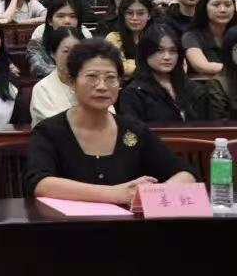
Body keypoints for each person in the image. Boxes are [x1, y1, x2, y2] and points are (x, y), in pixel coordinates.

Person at [24, 39, 195, 204]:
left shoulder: (134, 131)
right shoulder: (49, 131)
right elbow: (40, 183)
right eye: (92, 76)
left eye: (110, 78)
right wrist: (115, 194)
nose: (102, 86)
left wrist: (153, 195)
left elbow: (185, 174)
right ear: (72, 81)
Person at [119, 23, 219, 123]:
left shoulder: (194, 89)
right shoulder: (134, 93)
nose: (167, 57)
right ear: (146, 53)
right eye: (159, 50)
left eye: (173, 51)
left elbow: (212, 126)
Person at [29, 27, 87, 127]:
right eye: (66, 51)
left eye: (77, 51)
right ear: (53, 54)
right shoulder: (42, 89)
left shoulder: (92, 83)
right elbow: (52, 127)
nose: (72, 56)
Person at [26, 0, 92, 79]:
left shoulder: (87, 45)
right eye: (61, 16)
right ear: (50, 21)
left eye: (72, 16)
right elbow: (39, 69)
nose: (67, 21)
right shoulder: (36, 45)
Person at [103, 0, 152, 79]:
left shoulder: (156, 38)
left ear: (149, 15)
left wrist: (131, 64)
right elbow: (115, 66)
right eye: (129, 13)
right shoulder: (113, 38)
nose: (135, 18)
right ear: (123, 15)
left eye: (140, 13)